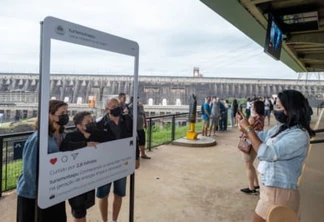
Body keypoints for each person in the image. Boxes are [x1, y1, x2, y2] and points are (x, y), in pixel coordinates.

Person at [237, 90, 315, 222]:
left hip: (279, 194)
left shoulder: (298, 135)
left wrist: (249, 129)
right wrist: (246, 128)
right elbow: (259, 137)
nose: (275, 110)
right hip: (270, 191)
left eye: (279, 107)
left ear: (291, 109)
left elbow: (267, 153)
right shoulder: (283, 128)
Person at [16, 100, 68, 222]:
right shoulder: (38, 139)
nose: (65, 116)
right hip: (33, 195)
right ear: (50, 114)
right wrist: (40, 195)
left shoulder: (64, 136)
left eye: (67, 112)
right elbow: (30, 170)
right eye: (62, 113)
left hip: (54, 192)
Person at [60, 111, 111, 222]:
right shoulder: (72, 136)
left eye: (92, 120)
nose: (91, 123)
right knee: (79, 211)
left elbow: (110, 141)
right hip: (76, 179)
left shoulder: (97, 134)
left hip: (90, 177)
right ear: (79, 126)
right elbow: (64, 147)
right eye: (88, 122)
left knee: (84, 206)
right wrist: (85, 145)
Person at [96, 98, 140, 222]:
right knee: (103, 194)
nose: (117, 108)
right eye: (113, 106)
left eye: (118, 105)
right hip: (105, 165)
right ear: (106, 109)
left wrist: (136, 157)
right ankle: (105, 220)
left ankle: (114, 220)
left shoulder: (127, 120)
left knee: (119, 193)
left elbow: (134, 138)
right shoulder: (100, 124)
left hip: (122, 162)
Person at [239, 100, 265, 195]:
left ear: (255, 108)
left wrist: (239, 121)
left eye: (253, 106)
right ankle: (256, 184)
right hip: (256, 142)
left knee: (248, 166)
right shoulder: (261, 117)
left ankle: (251, 188)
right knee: (251, 164)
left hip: (248, 143)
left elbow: (242, 129)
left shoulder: (252, 118)